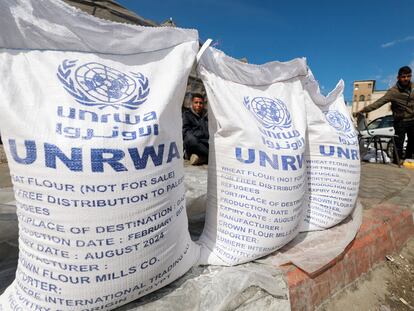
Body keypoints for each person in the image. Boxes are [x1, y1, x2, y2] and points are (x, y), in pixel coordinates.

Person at [353, 66, 414, 163]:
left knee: (412, 142)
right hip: (400, 121)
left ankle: (409, 159)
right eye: (403, 77)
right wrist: (363, 110)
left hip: (412, 120)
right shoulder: (393, 92)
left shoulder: (413, 87)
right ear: (398, 77)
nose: (406, 79)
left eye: (408, 76)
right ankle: (397, 162)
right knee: (399, 143)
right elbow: (378, 103)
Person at [182, 93, 209, 165]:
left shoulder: (207, 116)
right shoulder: (187, 115)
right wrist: (201, 135)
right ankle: (210, 156)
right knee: (190, 139)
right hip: (195, 143)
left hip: (205, 142)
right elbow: (186, 132)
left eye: (200, 103)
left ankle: (200, 158)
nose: (198, 105)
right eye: (196, 102)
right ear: (192, 103)